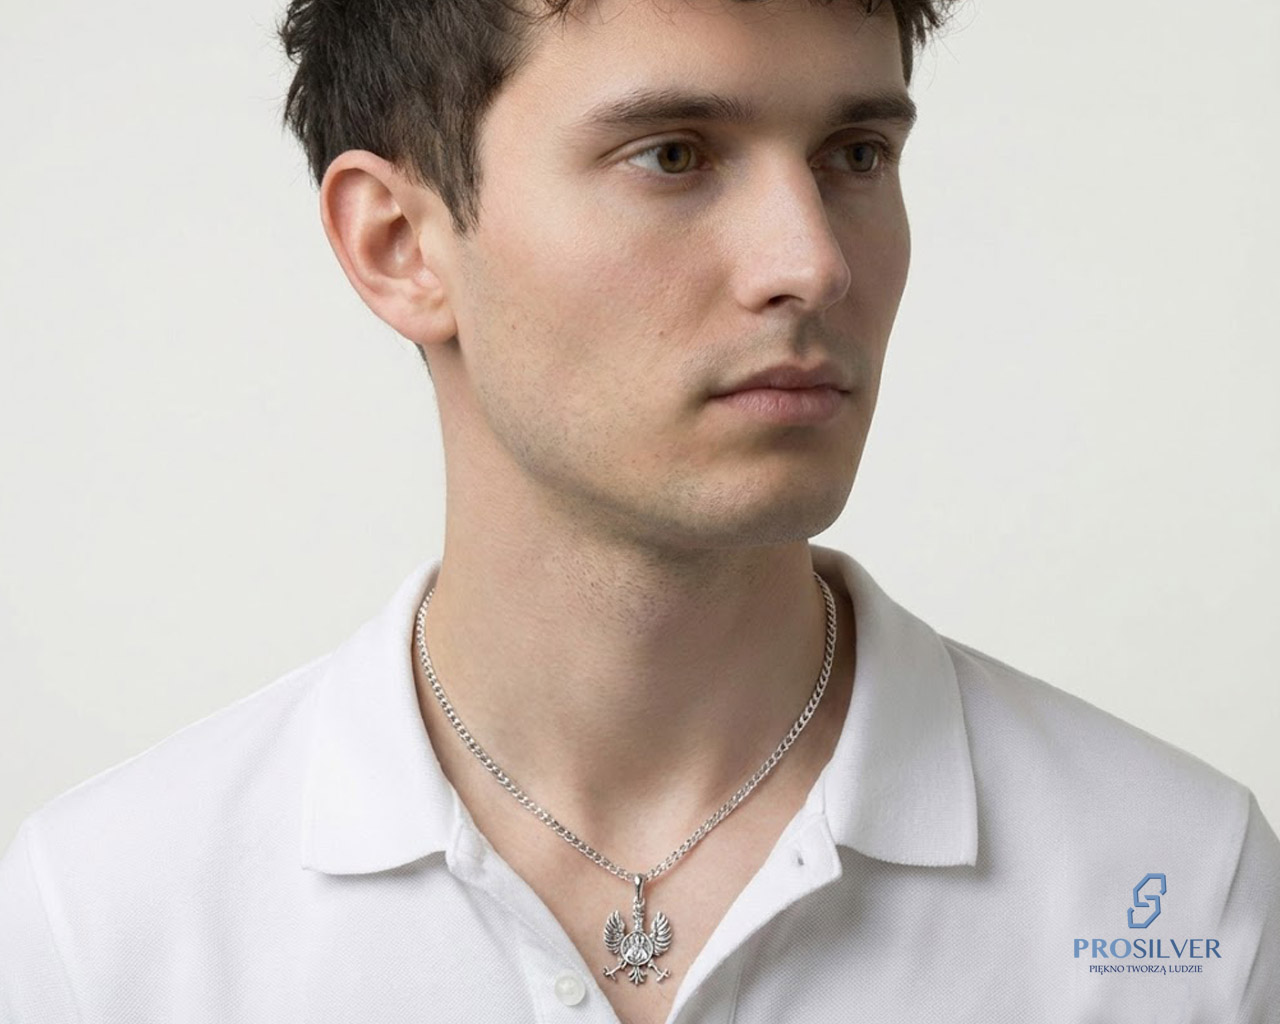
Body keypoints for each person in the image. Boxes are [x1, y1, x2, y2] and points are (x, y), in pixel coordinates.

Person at [1, 0, 1276, 1020]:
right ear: (398, 244)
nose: (812, 262)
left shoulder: (1174, 883)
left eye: (855, 154)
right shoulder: (105, 922)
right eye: (672, 154)